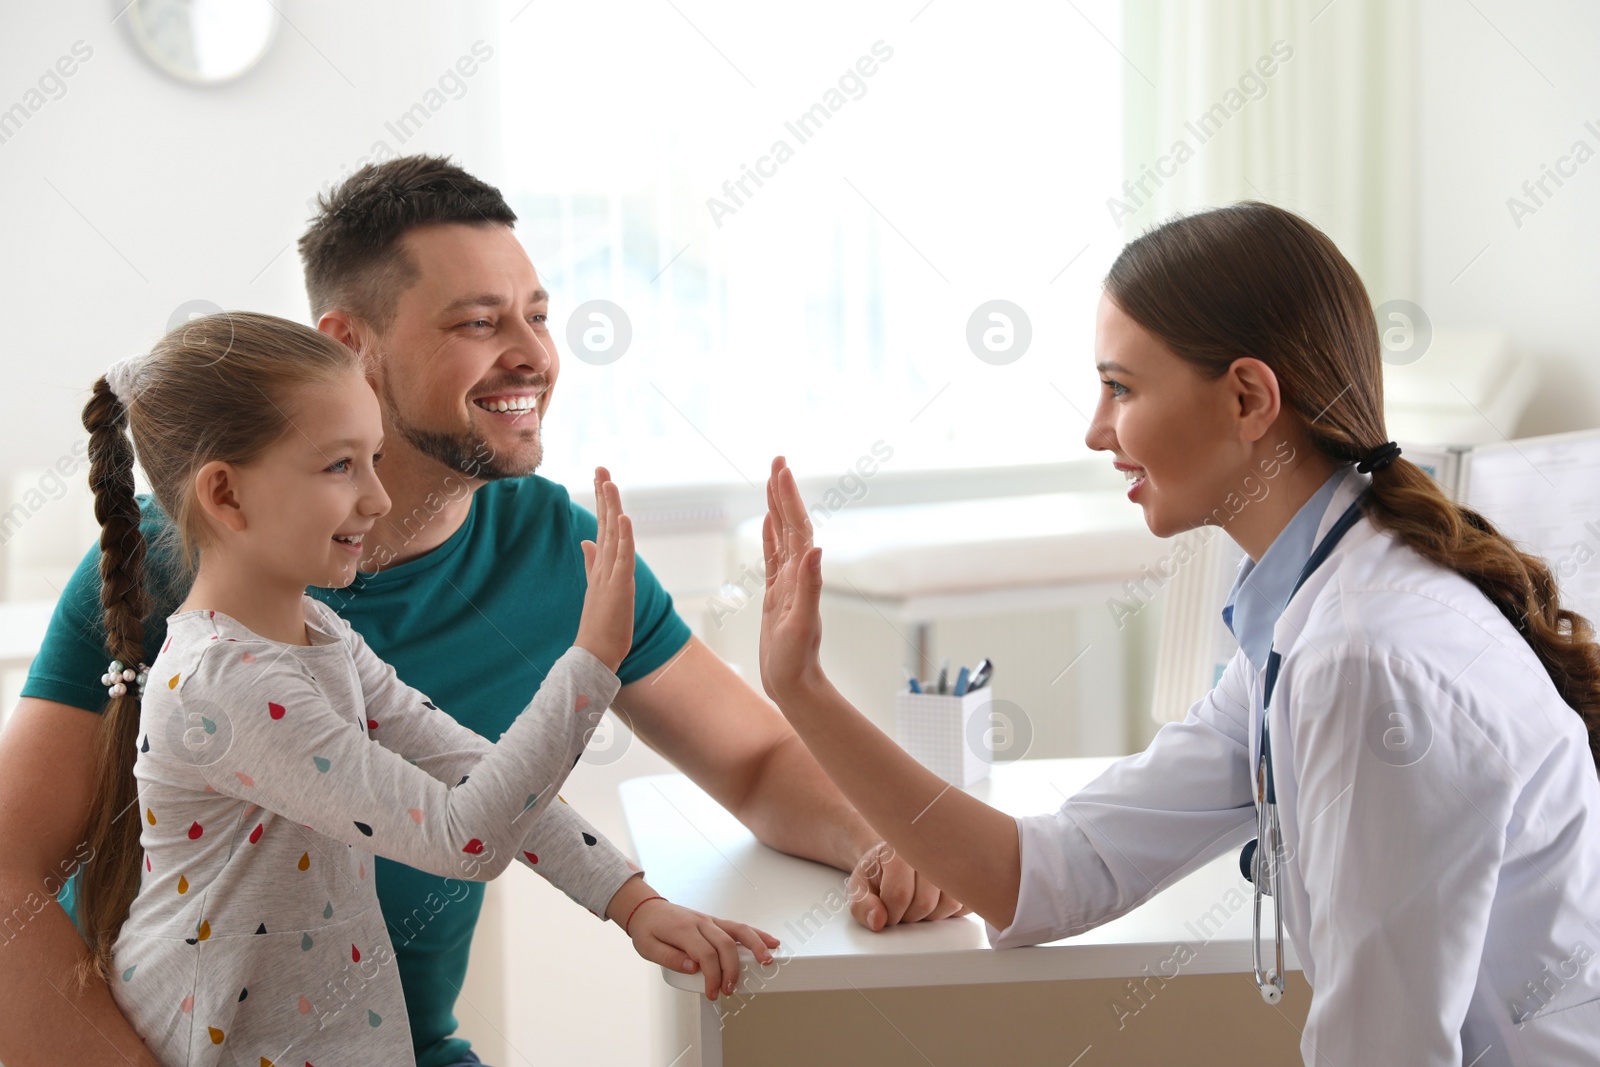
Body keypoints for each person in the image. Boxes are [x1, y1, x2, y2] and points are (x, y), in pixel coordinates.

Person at [0, 156, 956, 1067]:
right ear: (350, 346)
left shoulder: (542, 550)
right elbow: (8, 875)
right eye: (477, 322)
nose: (534, 354)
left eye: (538, 315)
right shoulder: (183, 581)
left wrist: (881, 840)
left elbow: (749, 757)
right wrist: (592, 661)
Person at [755, 202, 1600, 1066]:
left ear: (1247, 398)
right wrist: (803, 691)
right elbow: (1050, 872)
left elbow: (1383, 1053)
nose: (1095, 429)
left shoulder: (1363, 654)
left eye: (1120, 387)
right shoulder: (1308, 613)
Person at [83, 310, 776, 1065]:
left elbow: (476, 774)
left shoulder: (320, 633)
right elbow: (463, 837)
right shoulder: (225, 686)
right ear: (226, 495)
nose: (378, 498)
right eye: (339, 466)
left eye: (374, 457)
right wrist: (591, 662)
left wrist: (632, 901)